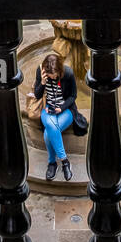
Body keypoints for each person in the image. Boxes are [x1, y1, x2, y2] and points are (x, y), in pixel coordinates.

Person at [32, 52, 77, 181]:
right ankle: (65, 162)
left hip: (66, 111)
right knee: (51, 127)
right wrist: (42, 82)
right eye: (49, 75)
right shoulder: (40, 71)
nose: (52, 77)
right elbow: (37, 95)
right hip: (48, 110)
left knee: (48, 133)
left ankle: (52, 163)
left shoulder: (68, 74)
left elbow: (73, 96)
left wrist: (61, 108)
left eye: (54, 75)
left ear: (59, 70)